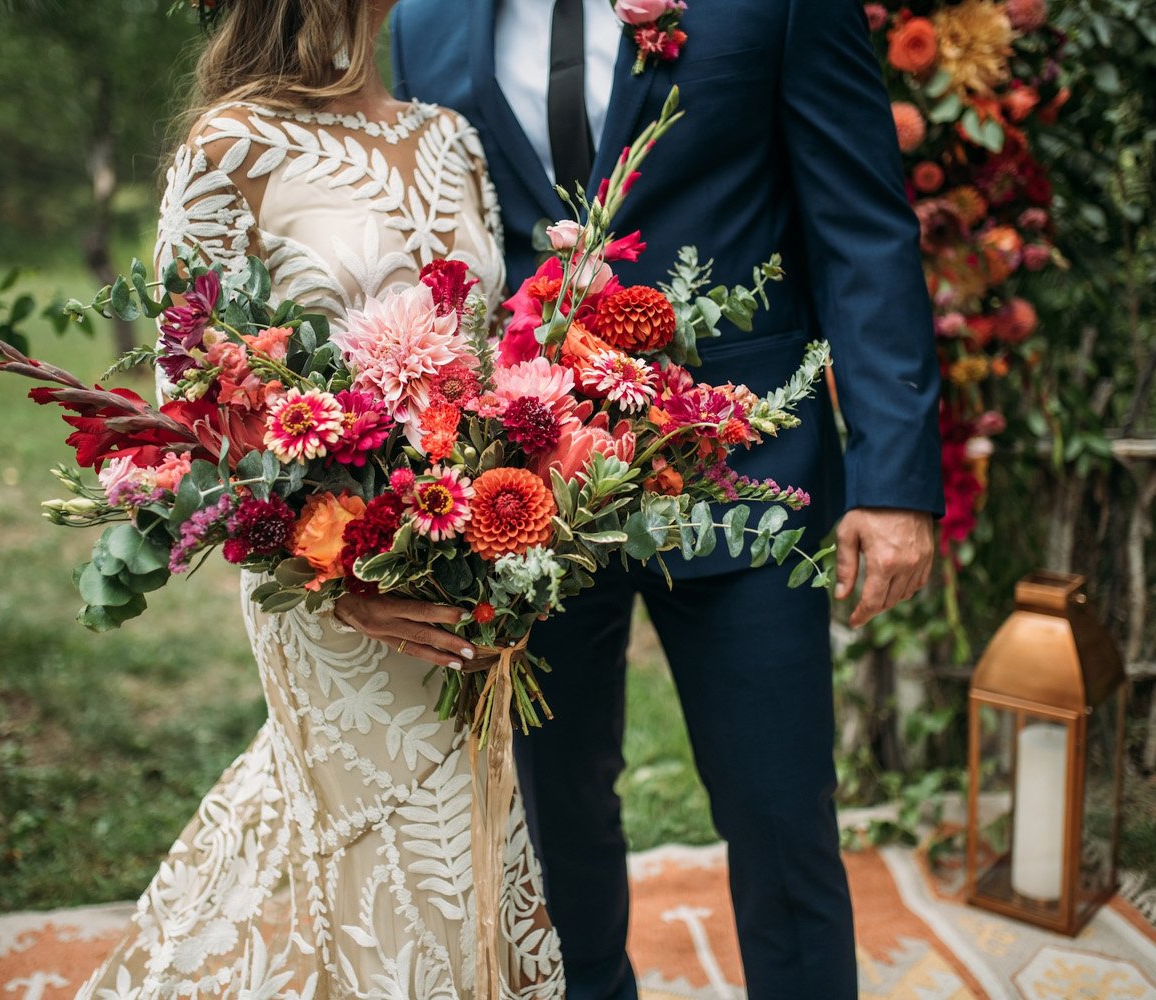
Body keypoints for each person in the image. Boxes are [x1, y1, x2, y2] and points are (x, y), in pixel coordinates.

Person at [390, 1, 943, 997]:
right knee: (552, 815)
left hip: (739, 469)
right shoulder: (418, 24)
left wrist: (894, 478)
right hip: (527, 493)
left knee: (781, 814)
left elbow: (861, 231)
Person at [77, 2, 564, 996]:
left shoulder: (451, 140)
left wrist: (520, 509)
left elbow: (493, 357)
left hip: (465, 558)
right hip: (327, 584)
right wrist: (339, 582)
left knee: (462, 846)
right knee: (378, 858)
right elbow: (198, 406)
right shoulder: (230, 146)